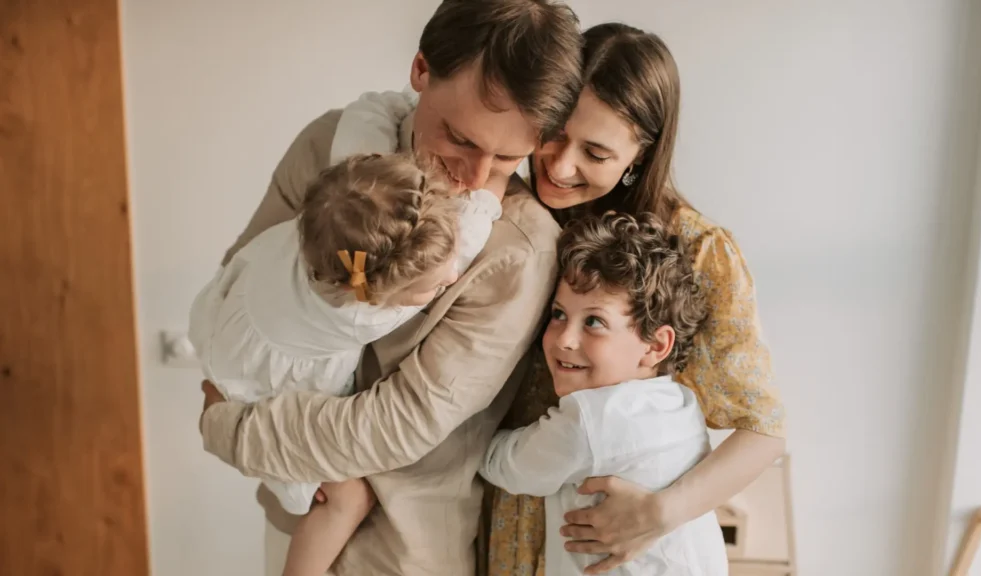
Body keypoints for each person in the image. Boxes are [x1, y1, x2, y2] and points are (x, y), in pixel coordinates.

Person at [198, 1, 584, 575]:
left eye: (508, 157)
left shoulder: (519, 251)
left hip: (401, 552)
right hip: (291, 516)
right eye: (460, 138)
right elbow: (245, 283)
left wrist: (227, 428)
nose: (475, 178)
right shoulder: (329, 147)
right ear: (421, 69)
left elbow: (401, 422)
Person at [487, 23, 786, 576]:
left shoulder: (696, 251)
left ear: (638, 156)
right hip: (498, 514)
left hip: (606, 538)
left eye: (595, 152)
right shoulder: (506, 209)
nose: (558, 164)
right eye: (554, 132)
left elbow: (762, 432)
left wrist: (658, 513)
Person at [190, 144, 506, 576]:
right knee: (348, 497)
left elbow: (364, 123)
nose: (452, 277)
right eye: (432, 289)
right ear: (378, 294)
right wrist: (493, 188)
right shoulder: (359, 313)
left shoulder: (326, 221)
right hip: (258, 379)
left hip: (229, 327)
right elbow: (468, 242)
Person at [480, 211, 728, 576]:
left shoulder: (591, 418)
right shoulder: (679, 403)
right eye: (559, 314)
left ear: (655, 346)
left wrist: (476, 431)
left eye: (594, 322)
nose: (564, 339)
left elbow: (510, 466)